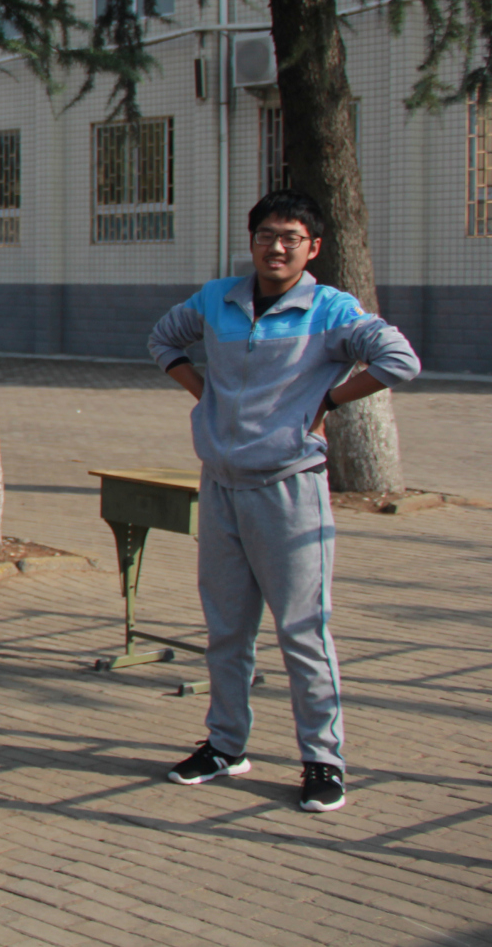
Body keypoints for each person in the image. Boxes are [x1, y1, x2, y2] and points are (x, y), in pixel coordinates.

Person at [149, 188, 421, 815]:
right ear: (252, 242)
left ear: (312, 248)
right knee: (226, 629)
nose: (276, 247)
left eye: (290, 238)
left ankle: (323, 759)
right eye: (267, 235)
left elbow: (400, 360)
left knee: (302, 630)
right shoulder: (217, 300)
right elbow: (164, 341)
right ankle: (224, 746)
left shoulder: (330, 309)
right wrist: (206, 397)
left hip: (288, 490)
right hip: (220, 487)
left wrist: (327, 402)